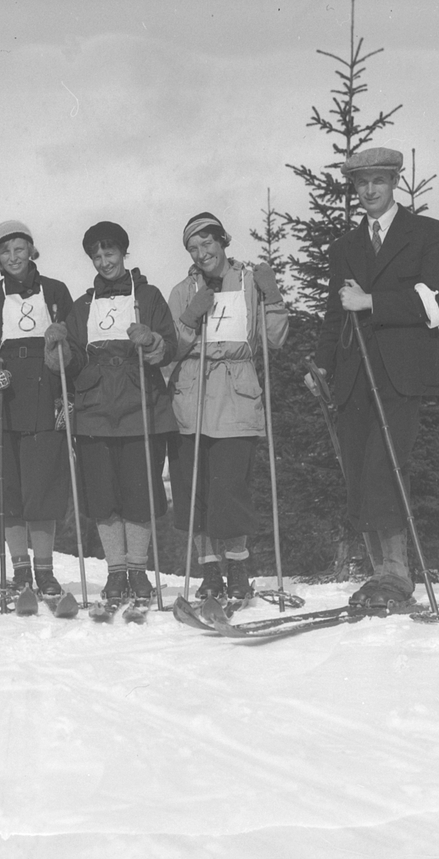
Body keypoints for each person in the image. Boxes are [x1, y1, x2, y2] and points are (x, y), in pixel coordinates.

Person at [310, 147, 439, 609]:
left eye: (378, 181)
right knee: (358, 469)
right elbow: (336, 315)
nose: (369, 190)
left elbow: (436, 303)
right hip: (355, 373)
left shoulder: (428, 234)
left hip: (400, 372)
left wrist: (372, 301)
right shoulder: (345, 247)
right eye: (361, 183)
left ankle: (396, 575)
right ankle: (380, 576)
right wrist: (322, 366)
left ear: (395, 182)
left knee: (384, 468)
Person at [44, 221, 177, 603]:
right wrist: (59, 347)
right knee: (102, 494)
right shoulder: (83, 305)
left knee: (138, 492)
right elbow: (70, 360)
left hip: (141, 405)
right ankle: (116, 571)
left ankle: (138, 570)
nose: (104, 262)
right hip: (94, 409)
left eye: (110, 253)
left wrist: (150, 340)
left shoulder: (148, 296)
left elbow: (169, 346)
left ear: (123, 253)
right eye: (97, 256)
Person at [167, 212, 289, 603]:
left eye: (208, 243)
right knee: (198, 489)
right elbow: (170, 351)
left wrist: (273, 297)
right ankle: (209, 570)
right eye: (194, 248)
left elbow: (275, 340)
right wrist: (189, 318)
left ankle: (237, 566)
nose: (202, 253)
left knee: (229, 488)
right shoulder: (182, 290)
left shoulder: (250, 282)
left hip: (236, 393)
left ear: (223, 241)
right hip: (192, 395)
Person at [0, 221, 75, 596]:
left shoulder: (55, 290)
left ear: (31, 250)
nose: (13, 257)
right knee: (9, 486)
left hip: (45, 391)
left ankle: (45, 571)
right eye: (5, 251)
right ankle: (20, 571)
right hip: (1, 394)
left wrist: (62, 351)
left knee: (43, 486)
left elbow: (73, 345)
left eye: (20, 249)